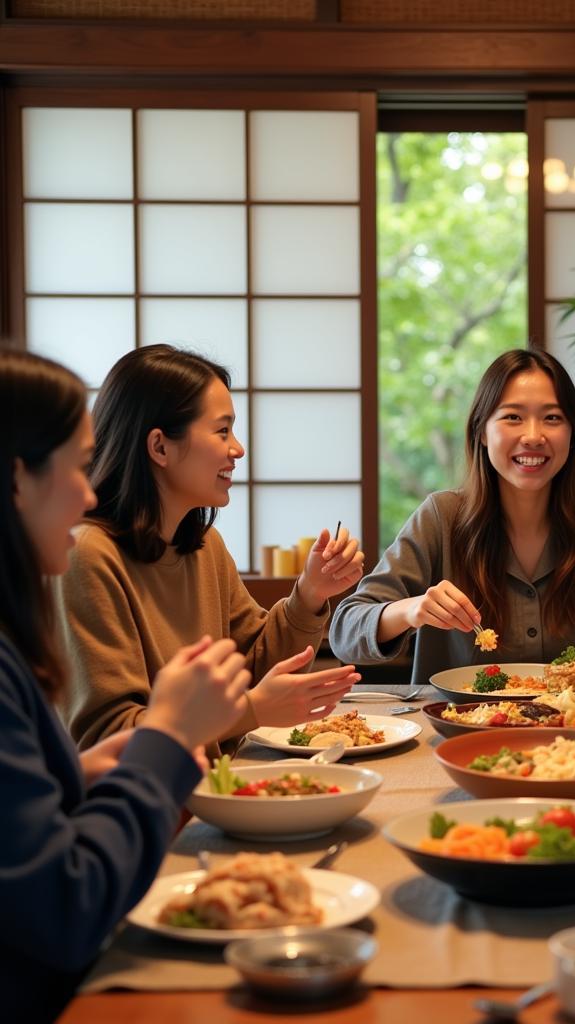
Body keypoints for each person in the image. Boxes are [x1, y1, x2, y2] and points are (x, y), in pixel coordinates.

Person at [0, 348, 253, 1021]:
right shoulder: (91, 558)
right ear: (18, 478)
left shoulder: (204, 546)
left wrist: (74, 778)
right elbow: (63, 908)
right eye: (78, 467)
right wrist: (166, 738)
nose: (89, 493)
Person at [331, 348, 575, 683]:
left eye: (552, 418)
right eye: (513, 417)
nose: (533, 436)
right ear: (482, 432)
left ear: (572, 433)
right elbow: (346, 631)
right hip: (460, 736)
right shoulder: (440, 516)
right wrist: (410, 609)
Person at [58, 344, 365, 750]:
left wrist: (311, 593)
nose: (237, 449)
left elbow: (253, 668)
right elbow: (109, 737)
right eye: (222, 431)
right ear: (160, 447)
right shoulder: (87, 555)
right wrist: (250, 710)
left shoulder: (204, 546)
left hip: (216, 786)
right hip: (147, 805)